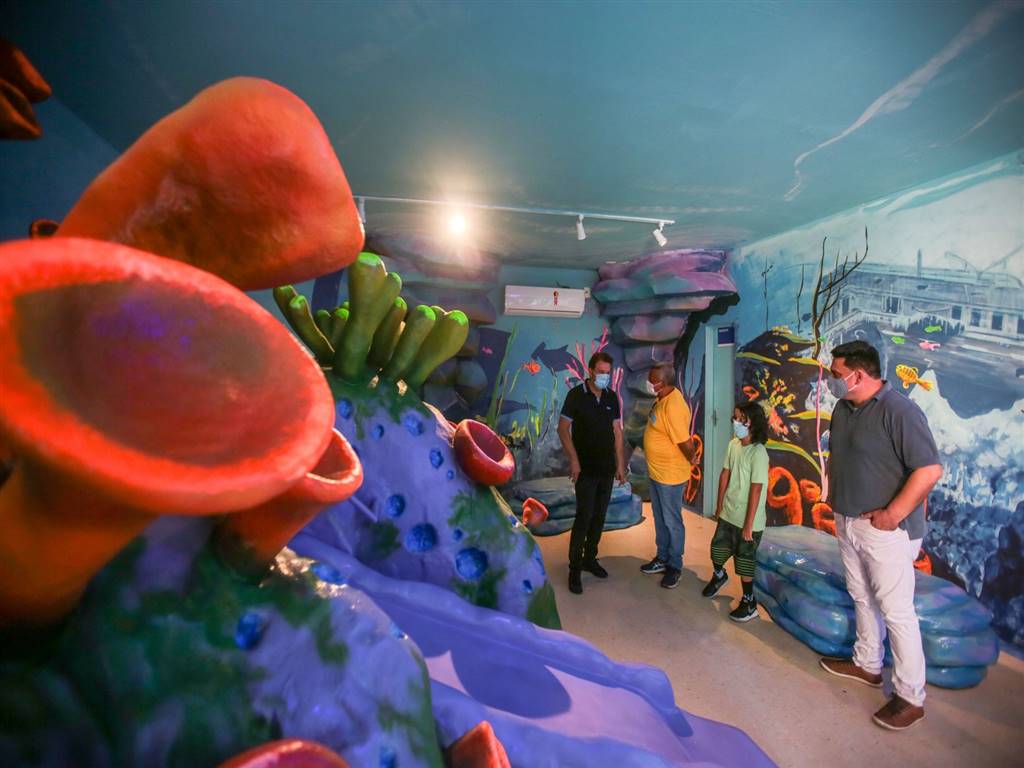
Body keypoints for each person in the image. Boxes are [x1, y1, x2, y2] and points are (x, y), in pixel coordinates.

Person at [819, 340, 942, 731]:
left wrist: (892, 514)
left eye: (836, 374)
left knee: (896, 610)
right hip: (848, 519)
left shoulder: (900, 411)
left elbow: (929, 470)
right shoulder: (843, 408)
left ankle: (910, 697)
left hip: (886, 530)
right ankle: (867, 663)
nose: (831, 380)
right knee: (861, 595)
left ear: (858, 374)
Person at [557, 351, 627, 595]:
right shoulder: (576, 395)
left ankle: (590, 558)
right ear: (590, 371)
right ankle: (574, 568)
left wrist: (620, 464)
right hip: (585, 469)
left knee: (599, 517)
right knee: (584, 517)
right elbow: (563, 429)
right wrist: (574, 460)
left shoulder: (611, 397)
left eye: (608, 373)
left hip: (606, 468)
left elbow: (617, 432)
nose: (604, 377)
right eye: (601, 372)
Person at [701, 402, 770, 621]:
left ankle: (749, 603)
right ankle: (719, 575)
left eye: (741, 419)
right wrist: (719, 505)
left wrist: (749, 524)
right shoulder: (733, 445)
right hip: (729, 513)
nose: (736, 422)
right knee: (717, 550)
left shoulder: (759, 453)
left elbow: (756, 489)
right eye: (735, 418)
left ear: (753, 423)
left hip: (748, 520)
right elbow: (725, 474)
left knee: (744, 562)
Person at [639, 362, 695, 589]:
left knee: (672, 521)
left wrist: (692, 458)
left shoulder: (673, 406)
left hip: (670, 477)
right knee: (660, 518)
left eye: (652, 380)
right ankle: (662, 557)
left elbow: (685, 442)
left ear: (663, 383)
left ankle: (675, 565)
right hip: (657, 473)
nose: (649, 382)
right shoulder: (662, 399)